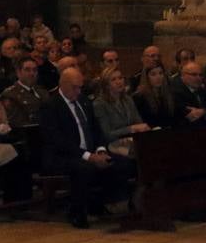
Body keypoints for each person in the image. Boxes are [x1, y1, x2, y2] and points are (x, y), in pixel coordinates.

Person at [38, 67, 134, 228]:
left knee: (122, 163)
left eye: (80, 87)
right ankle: (78, 213)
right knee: (82, 168)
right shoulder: (51, 106)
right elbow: (58, 141)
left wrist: (101, 150)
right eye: (75, 87)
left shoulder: (83, 101)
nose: (78, 91)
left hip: (89, 151)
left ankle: (109, 205)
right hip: (62, 156)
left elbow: (96, 130)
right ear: (63, 85)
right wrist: (88, 156)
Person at [93, 67, 150, 157]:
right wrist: (131, 129)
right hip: (114, 144)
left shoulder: (127, 99)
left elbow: (139, 122)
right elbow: (107, 134)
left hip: (132, 141)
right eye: (113, 79)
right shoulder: (99, 104)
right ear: (106, 85)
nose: (119, 82)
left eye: (120, 78)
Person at [1, 56, 48, 127]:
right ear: (18, 72)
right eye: (27, 70)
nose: (32, 73)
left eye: (35, 70)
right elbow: (16, 124)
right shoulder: (10, 94)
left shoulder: (43, 91)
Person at [132, 64, 176, 129]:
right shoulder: (139, 97)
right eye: (153, 74)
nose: (158, 77)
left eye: (161, 73)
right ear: (146, 77)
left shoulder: (169, 93)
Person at [171, 61, 206, 126]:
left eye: (200, 75)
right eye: (194, 75)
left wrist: (204, 111)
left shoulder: (204, 90)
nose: (198, 78)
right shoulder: (176, 93)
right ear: (183, 76)